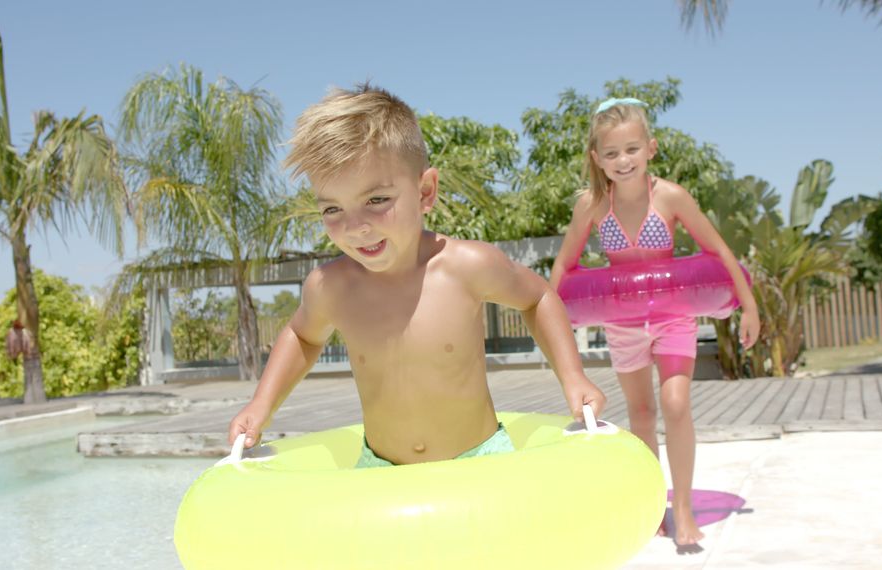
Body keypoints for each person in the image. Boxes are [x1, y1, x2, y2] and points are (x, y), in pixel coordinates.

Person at [228, 84, 606, 468]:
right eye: (332, 209)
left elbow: (537, 297)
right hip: (379, 466)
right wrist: (262, 404)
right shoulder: (331, 288)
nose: (356, 227)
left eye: (376, 200)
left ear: (425, 191)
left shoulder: (466, 267)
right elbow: (303, 336)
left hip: (477, 460)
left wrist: (572, 378)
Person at [548, 98, 759, 548]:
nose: (622, 161)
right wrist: (551, 323)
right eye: (611, 153)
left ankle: (682, 509)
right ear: (596, 159)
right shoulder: (591, 205)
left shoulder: (671, 196)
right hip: (623, 323)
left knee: (676, 403)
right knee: (641, 414)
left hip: (672, 315)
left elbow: (719, 251)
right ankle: (653, 504)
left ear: (650, 149)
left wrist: (750, 307)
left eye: (631, 150)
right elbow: (564, 268)